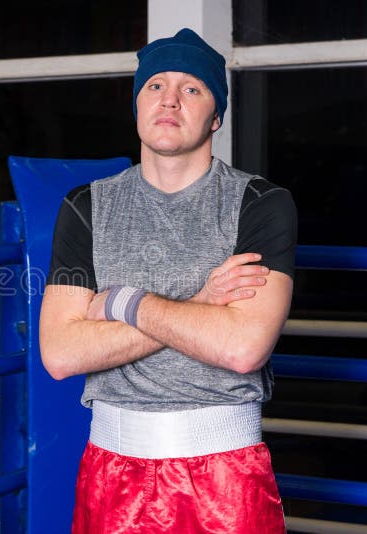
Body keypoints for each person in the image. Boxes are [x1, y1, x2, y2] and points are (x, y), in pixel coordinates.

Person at [40, 27, 296, 534]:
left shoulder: (260, 204)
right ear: (136, 105)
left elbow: (244, 347)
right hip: (111, 468)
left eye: (192, 89)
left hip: (224, 475)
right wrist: (201, 302)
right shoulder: (86, 207)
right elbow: (61, 353)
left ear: (216, 115)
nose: (171, 100)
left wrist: (122, 300)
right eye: (155, 85)